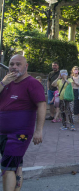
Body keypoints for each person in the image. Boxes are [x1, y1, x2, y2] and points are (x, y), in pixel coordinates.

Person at [0, 55, 46, 191]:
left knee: (7, 167)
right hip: (3, 132)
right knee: (16, 164)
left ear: (26, 66)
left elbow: (42, 105)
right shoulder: (6, 83)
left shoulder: (32, 83)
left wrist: (39, 130)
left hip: (19, 134)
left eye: (18, 64)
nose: (14, 67)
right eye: (11, 64)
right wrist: (3, 83)